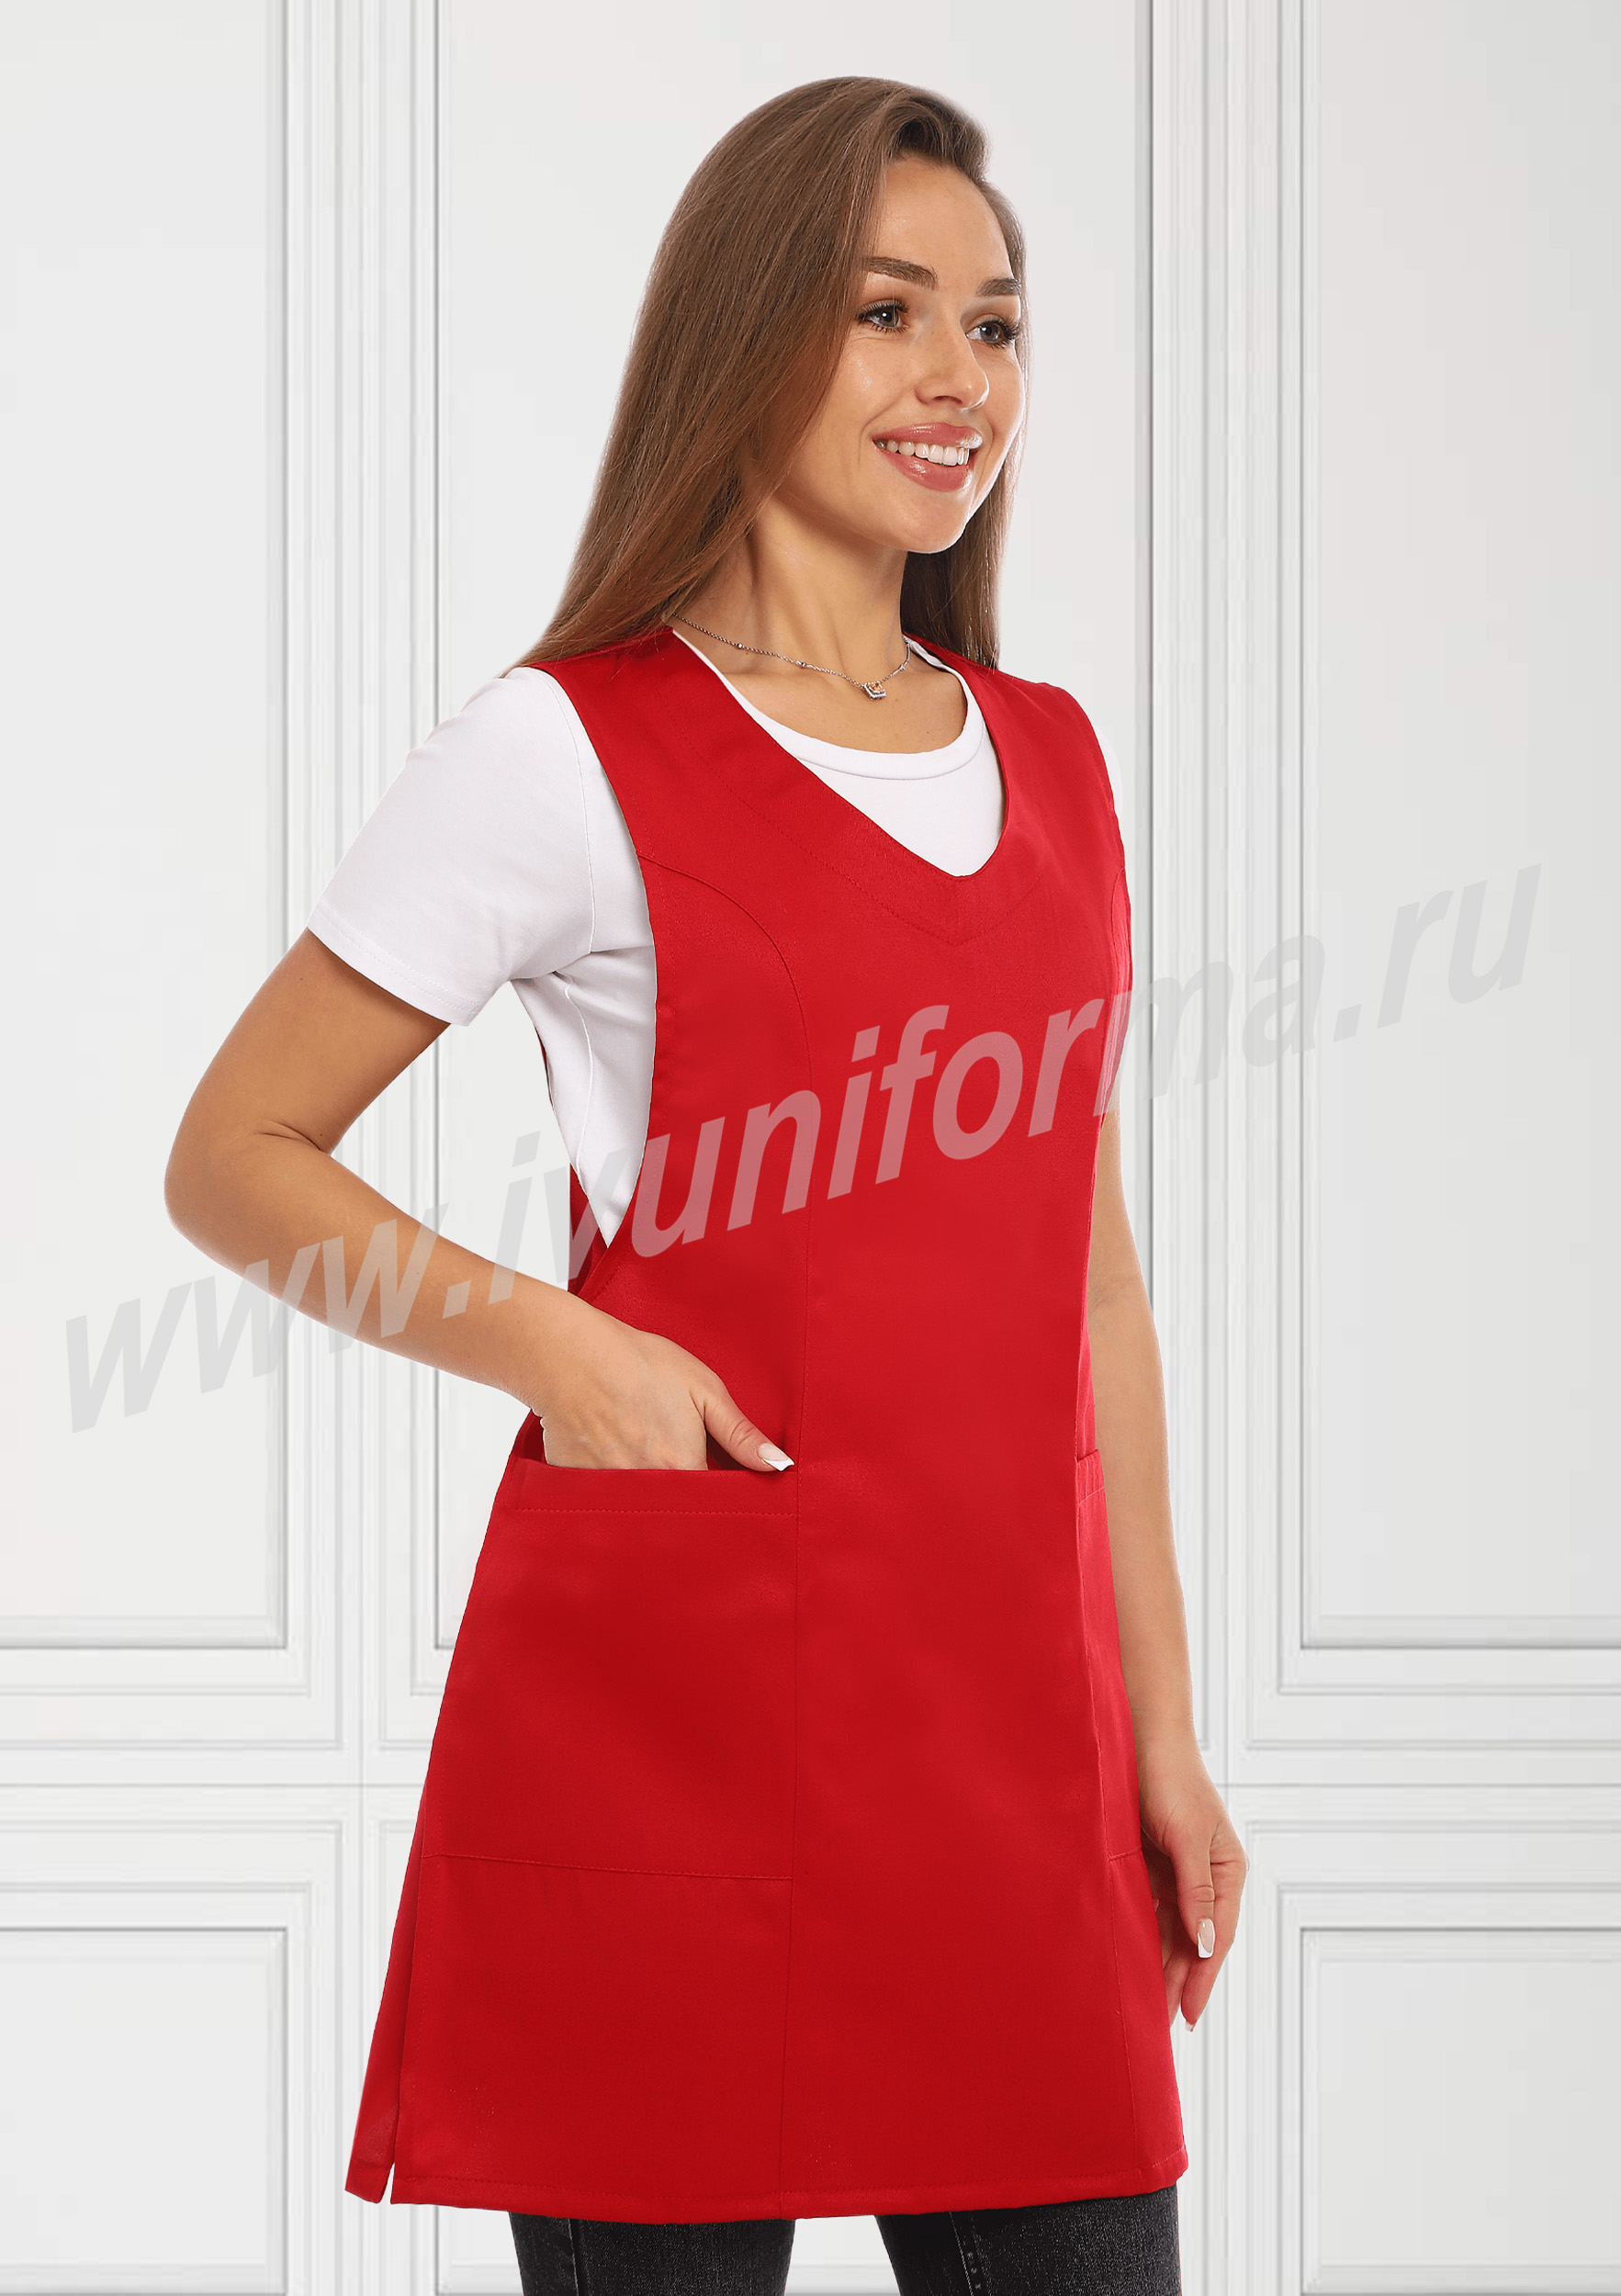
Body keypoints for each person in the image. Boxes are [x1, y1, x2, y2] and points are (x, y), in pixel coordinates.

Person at [165, 73, 1246, 2296]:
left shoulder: (1053, 761)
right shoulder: (561, 747)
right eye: (884, 310)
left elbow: (1094, 1295)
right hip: (675, 1736)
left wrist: (1164, 1731)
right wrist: (552, 1343)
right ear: (748, 331)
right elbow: (234, 1158)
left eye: (996, 325)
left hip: (1009, 1773)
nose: (957, 379)